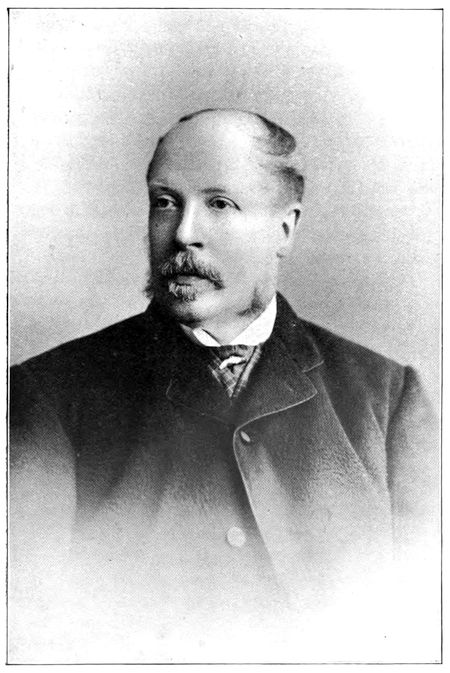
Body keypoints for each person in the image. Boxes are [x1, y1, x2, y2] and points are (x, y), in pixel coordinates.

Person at [9, 109, 439, 663]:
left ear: (284, 229)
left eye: (219, 203)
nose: (183, 233)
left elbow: (419, 626)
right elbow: (33, 630)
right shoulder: (48, 395)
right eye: (166, 201)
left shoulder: (389, 398)